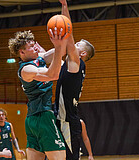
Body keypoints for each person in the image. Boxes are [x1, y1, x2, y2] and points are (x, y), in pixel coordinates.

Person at [8, 29, 68, 160]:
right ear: (22, 52)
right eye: (31, 47)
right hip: (43, 115)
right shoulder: (26, 69)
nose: (35, 47)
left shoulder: (38, 58)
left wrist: (60, 40)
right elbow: (53, 74)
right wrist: (57, 47)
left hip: (32, 118)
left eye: (34, 44)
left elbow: (62, 51)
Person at [53, 1, 95, 160]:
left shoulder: (76, 62)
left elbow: (68, 34)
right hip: (62, 119)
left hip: (68, 123)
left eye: (77, 45)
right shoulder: (69, 65)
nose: (73, 44)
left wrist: (64, 5)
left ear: (82, 53)